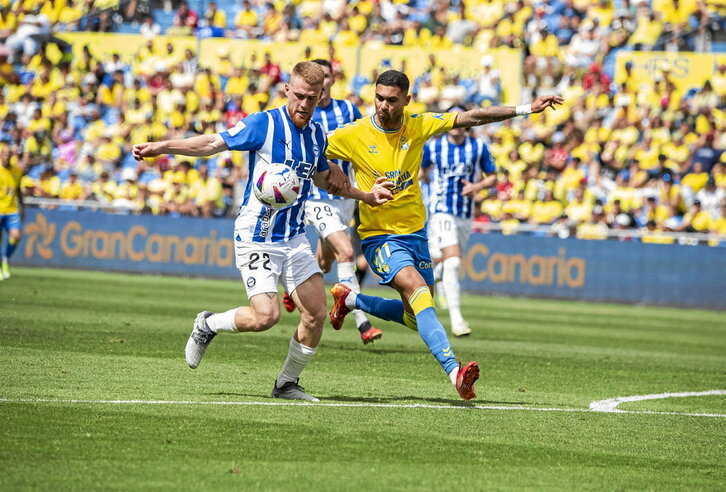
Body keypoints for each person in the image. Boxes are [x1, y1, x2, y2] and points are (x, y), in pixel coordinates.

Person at [133, 61, 393, 402]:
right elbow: (214, 143)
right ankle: (208, 324)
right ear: (287, 90)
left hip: (295, 237)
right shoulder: (264, 124)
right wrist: (164, 146)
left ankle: (286, 383)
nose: (304, 104)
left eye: (311, 99)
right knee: (266, 316)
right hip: (257, 235)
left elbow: (326, 179)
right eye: (299, 96)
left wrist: (366, 196)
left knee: (315, 315)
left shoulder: (316, 134)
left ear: (320, 97)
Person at [325, 69, 563, 401]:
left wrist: (526, 109)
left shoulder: (418, 125)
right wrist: (342, 178)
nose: (382, 106)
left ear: (406, 100)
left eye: (391, 100)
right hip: (379, 235)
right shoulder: (355, 134)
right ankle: (455, 372)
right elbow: (313, 149)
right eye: (378, 98)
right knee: (419, 291)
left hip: (416, 234)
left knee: (415, 315)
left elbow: (472, 117)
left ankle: (350, 298)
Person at [282, 58, 382, 345]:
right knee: (346, 252)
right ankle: (361, 320)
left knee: (323, 264)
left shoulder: (347, 109)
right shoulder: (302, 112)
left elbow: (361, 143)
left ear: (331, 81)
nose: (319, 85)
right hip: (316, 196)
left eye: (323, 78)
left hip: (344, 197)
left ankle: (292, 290)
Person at [422, 106, 497, 337]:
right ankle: (457, 320)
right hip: (441, 210)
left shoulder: (478, 146)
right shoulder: (433, 146)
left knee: (447, 263)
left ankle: (436, 276)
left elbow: (493, 177)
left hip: (464, 213)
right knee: (453, 263)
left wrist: (476, 186)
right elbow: (422, 172)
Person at [0, 145, 23, 280]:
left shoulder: (17, 171)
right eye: (4, 153)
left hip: (12, 210)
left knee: (16, 236)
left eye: (9, 154)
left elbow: (18, 189)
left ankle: (5, 259)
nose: (7, 156)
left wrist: (23, 207)